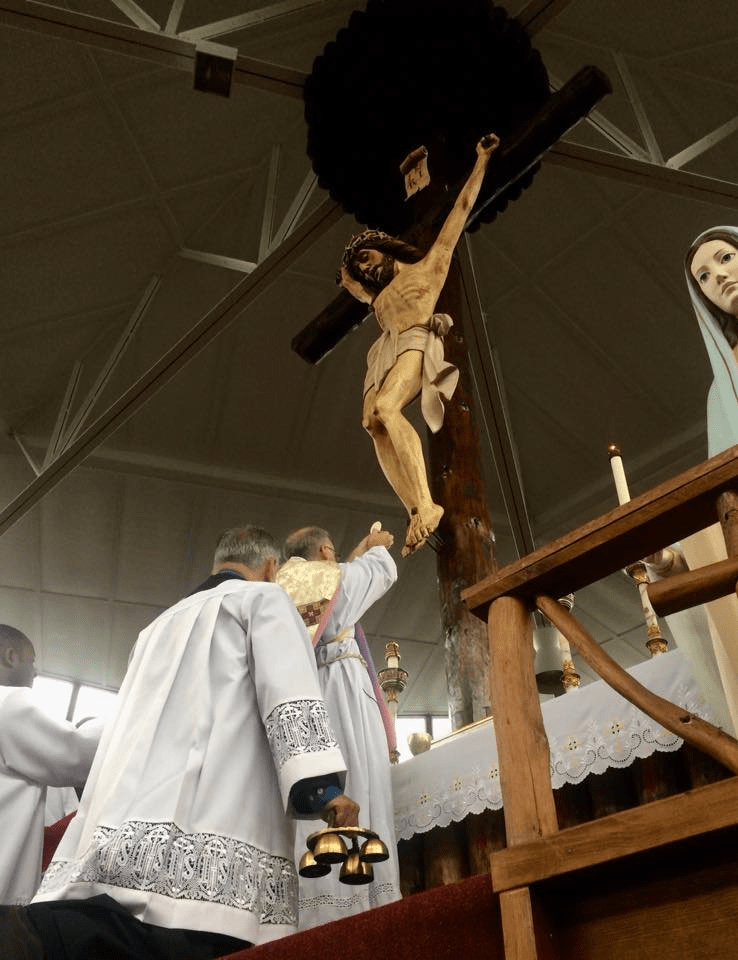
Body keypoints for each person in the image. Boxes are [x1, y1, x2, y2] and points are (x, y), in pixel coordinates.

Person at [12, 525, 358, 960]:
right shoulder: (265, 598)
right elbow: (287, 691)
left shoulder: (155, 627)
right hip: (210, 845)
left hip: (118, 838)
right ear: (272, 567)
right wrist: (322, 789)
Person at [338, 133, 500, 556]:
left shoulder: (427, 268)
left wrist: (481, 160)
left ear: (385, 250)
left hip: (413, 339)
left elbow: (460, 211)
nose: (364, 268)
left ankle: (429, 504)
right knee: (373, 422)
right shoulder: (377, 296)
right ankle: (414, 508)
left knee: (390, 409)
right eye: (359, 267)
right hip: (383, 352)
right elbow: (354, 287)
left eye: (367, 257)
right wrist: (348, 275)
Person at [277, 523, 401, 930]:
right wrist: (379, 548)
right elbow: (379, 574)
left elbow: (341, 584)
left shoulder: (289, 584)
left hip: (311, 695)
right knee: (364, 788)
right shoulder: (326, 579)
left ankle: (321, 908)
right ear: (326, 552)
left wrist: (359, 547)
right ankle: (362, 906)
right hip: (342, 694)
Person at [673, 226, 738, 735]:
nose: (719, 276)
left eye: (726, 258)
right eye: (704, 277)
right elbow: (720, 499)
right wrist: (674, 560)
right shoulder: (723, 391)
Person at [0, 625, 101, 906]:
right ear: (10, 656)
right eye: (31, 661)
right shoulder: (8, 703)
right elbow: (78, 753)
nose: (35, 672)